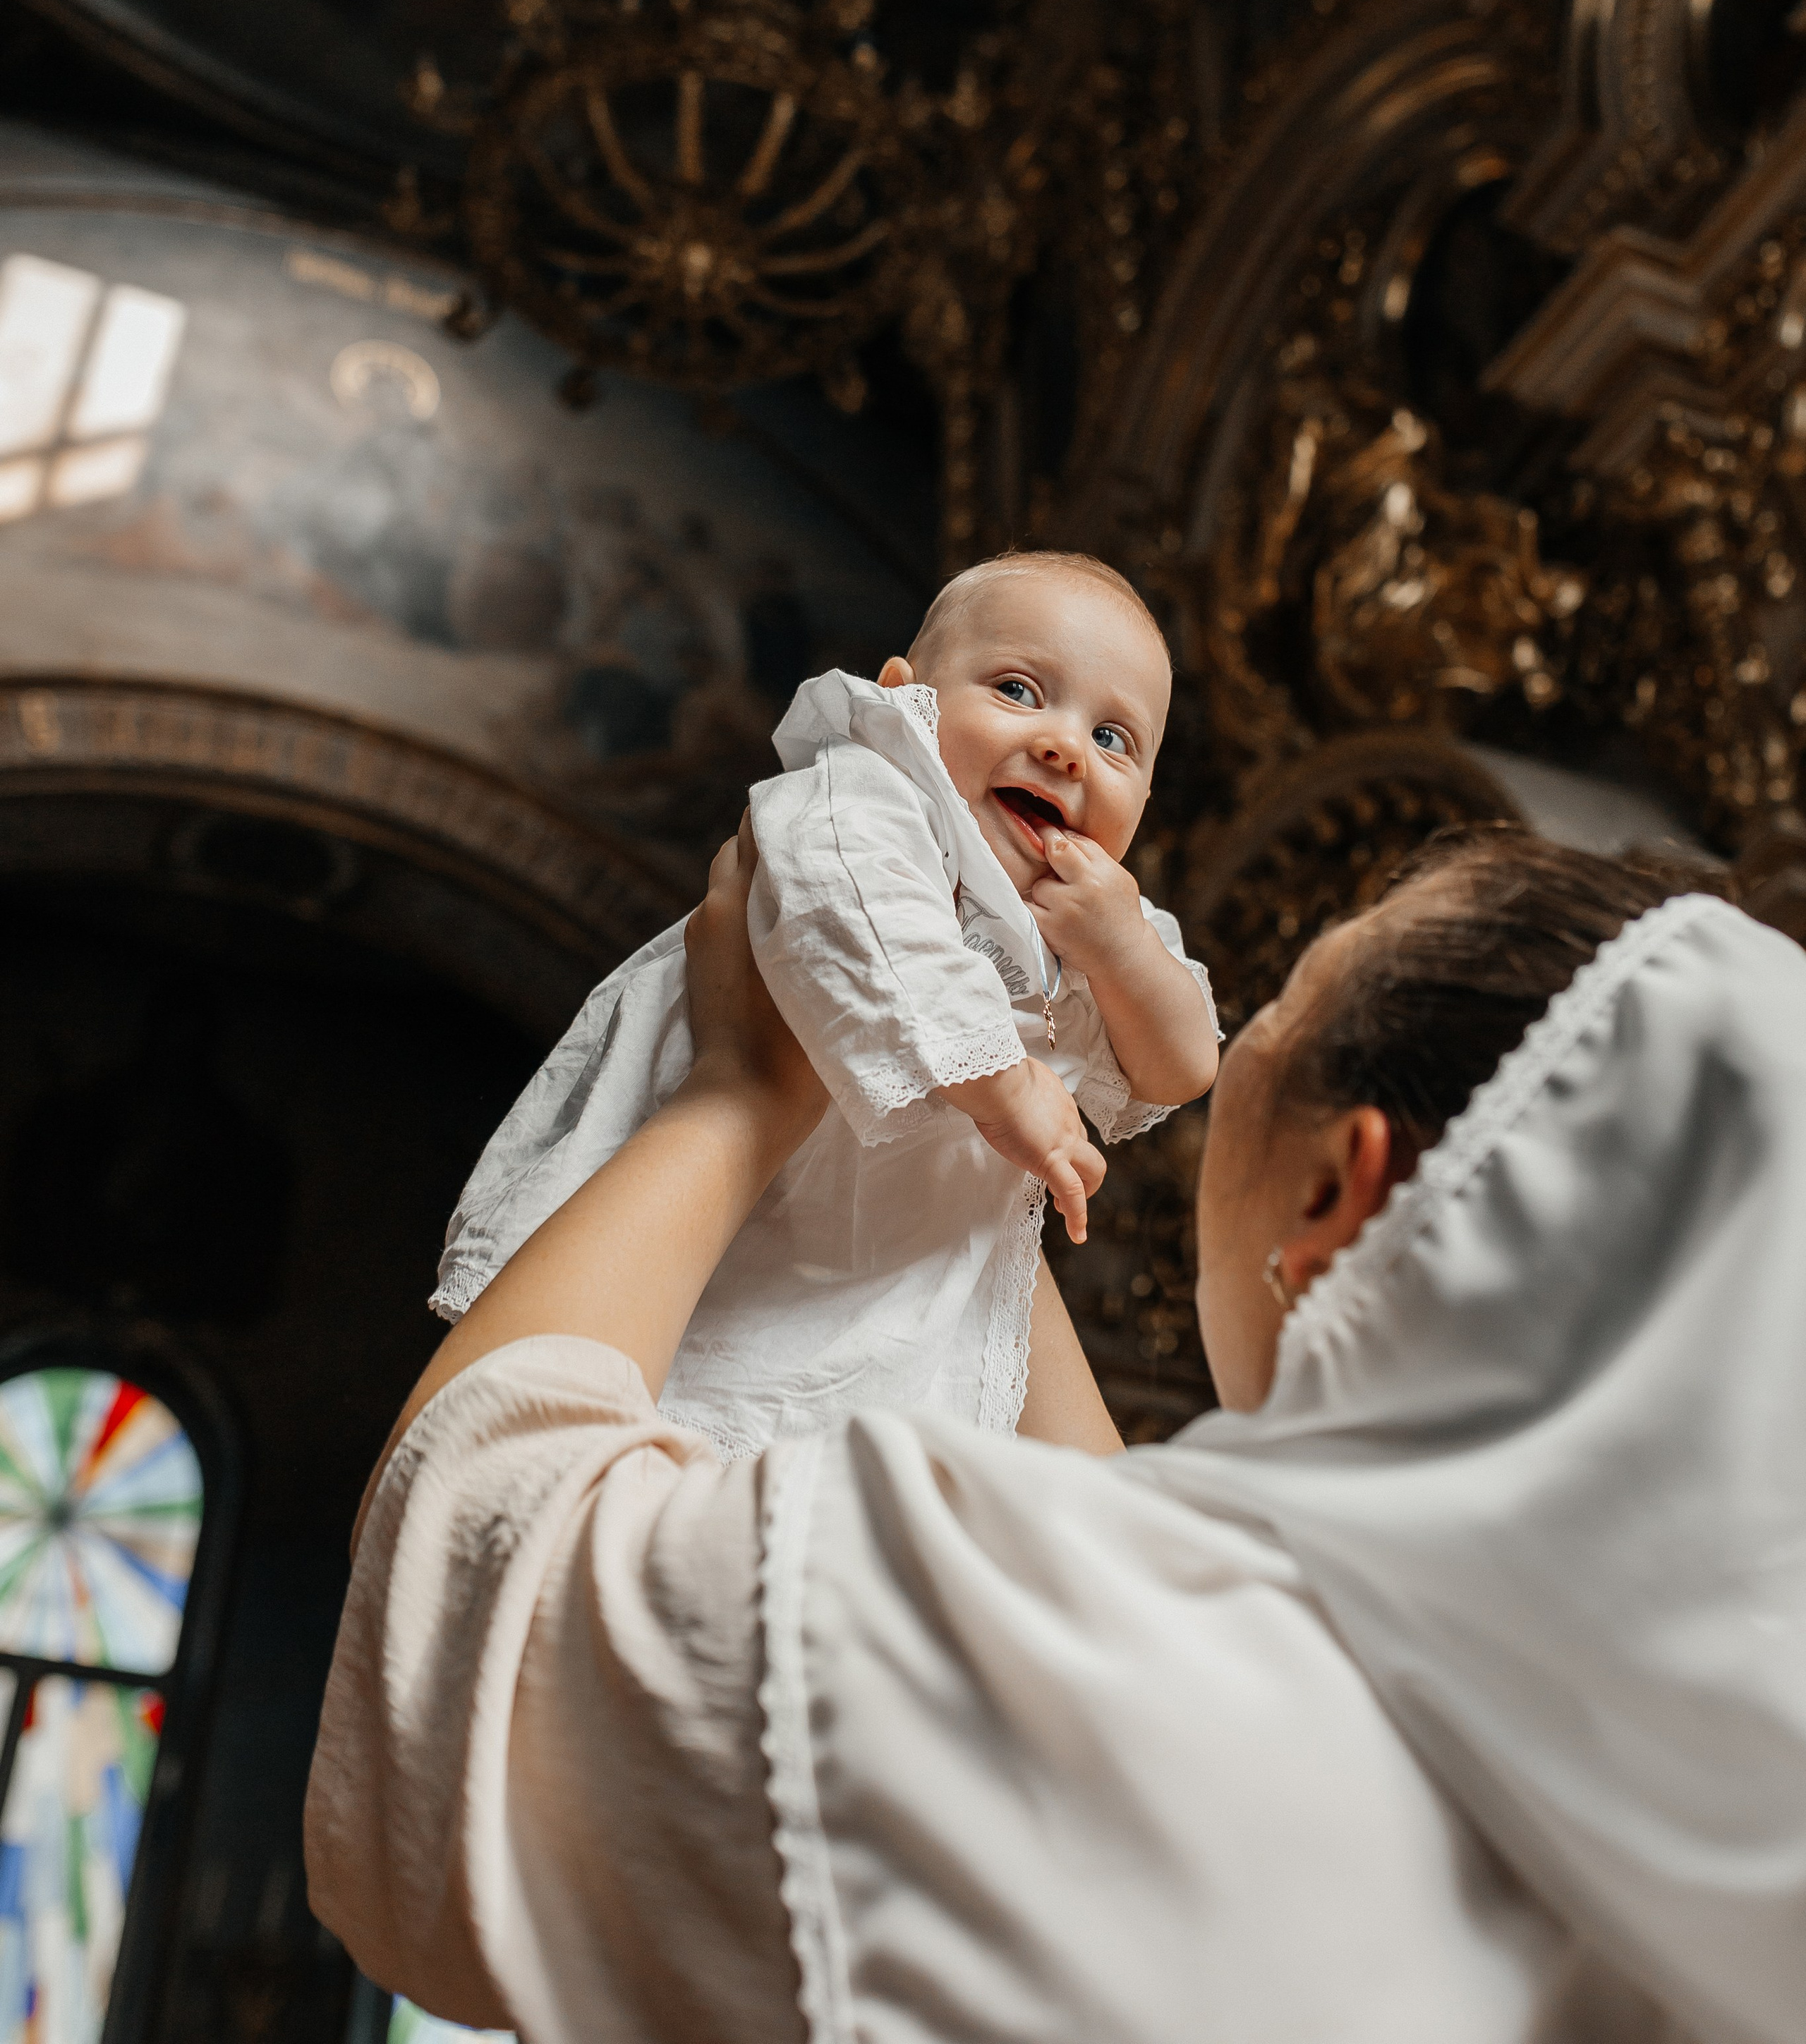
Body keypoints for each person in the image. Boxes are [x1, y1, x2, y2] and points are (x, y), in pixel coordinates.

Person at [306, 825, 1806, 2044]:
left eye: (1270, 1017)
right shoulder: (1712, 1801)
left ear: (1340, 1194)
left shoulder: (1067, 1666)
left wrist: (744, 1090)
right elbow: (1119, 1520)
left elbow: (461, 1621)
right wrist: (943, 1199)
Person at [432, 552, 1218, 1456]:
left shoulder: (1089, 909)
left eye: (1114, 740)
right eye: (1016, 688)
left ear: (1146, 799)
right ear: (908, 697)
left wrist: (1124, 953)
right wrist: (998, 1078)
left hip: (882, 1274)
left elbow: (1183, 1065)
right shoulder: (869, 795)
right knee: (655, 1409)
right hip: (734, 1223)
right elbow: (856, 918)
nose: (1064, 745)